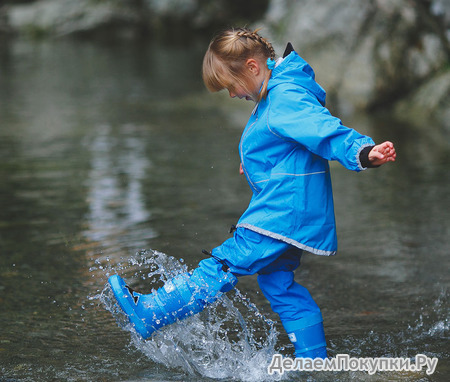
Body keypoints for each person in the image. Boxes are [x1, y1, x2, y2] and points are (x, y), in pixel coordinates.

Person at [108, 27, 396, 359]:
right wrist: (257, 161)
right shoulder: (278, 92)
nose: (231, 95)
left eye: (231, 86)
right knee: (279, 286)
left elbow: (322, 129)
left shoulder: (285, 95)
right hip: (290, 212)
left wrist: (362, 151)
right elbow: (283, 140)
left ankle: (152, 313)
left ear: (253, 67)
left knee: (225, 263)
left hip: (281, 213)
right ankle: (314, 361)